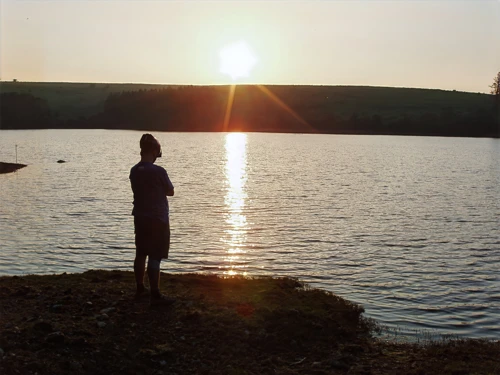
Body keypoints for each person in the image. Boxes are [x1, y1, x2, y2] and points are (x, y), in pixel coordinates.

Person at [129, 133, 175, 306]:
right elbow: (170, 191)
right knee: (155, 255)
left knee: (141, 253)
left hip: (140, 217)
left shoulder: (134, 170)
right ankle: (155, 294)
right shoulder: (159, 171)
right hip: (158, 219)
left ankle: (140, 288)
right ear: (155, 151)